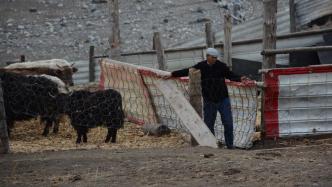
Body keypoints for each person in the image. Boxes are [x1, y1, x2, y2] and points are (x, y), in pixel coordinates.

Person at [163, 48, 249, 149]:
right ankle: (212, 145)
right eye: (213, 57)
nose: (215, 59)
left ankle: (230, 145)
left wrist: (240, 78)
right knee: (209, 124)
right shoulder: (201, 66)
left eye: (216, 58)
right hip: (209, 100)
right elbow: (187, 71)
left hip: (223, 99)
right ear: (207, 56)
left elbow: (231, 75)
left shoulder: (221, 66)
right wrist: (172, 74)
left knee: (228, 123)